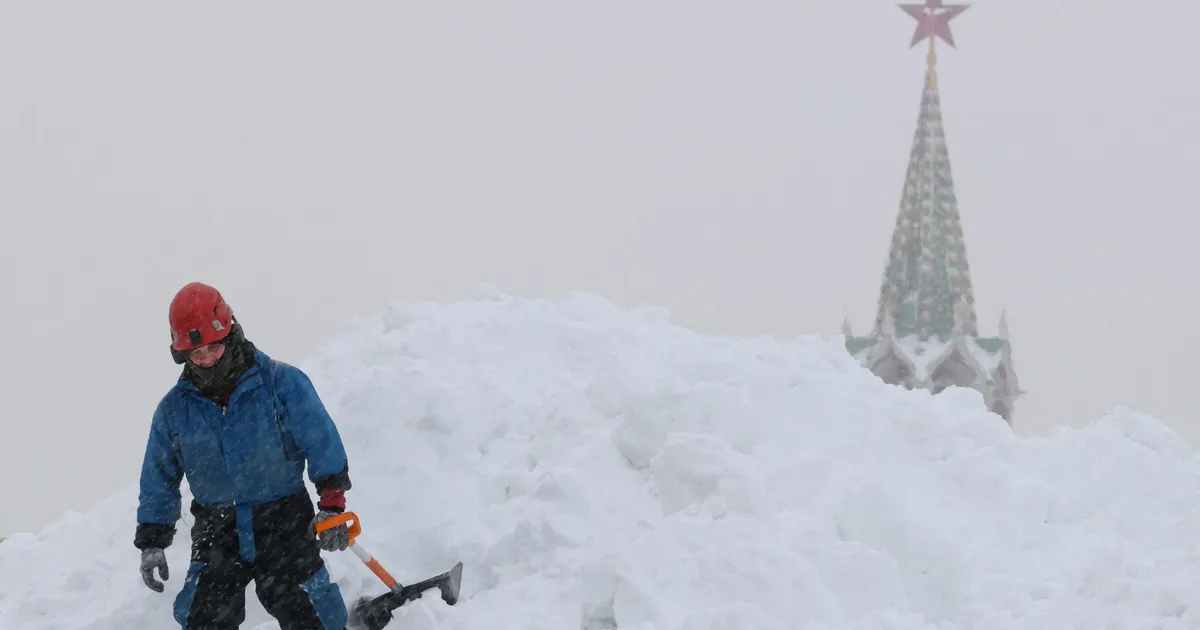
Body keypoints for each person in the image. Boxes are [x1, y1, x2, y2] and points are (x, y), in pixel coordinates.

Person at [134, 282, 354, 629]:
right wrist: (152, 541)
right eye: (196, 354)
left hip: (283, 522)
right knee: (203, 617)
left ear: (230, 334)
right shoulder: (174, 411)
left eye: (213, 348)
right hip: (216, 531)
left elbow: (322, 443)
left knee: (314, 616)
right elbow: (158, 477)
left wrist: (332, 503)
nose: (205, 360)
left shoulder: (282, 384)